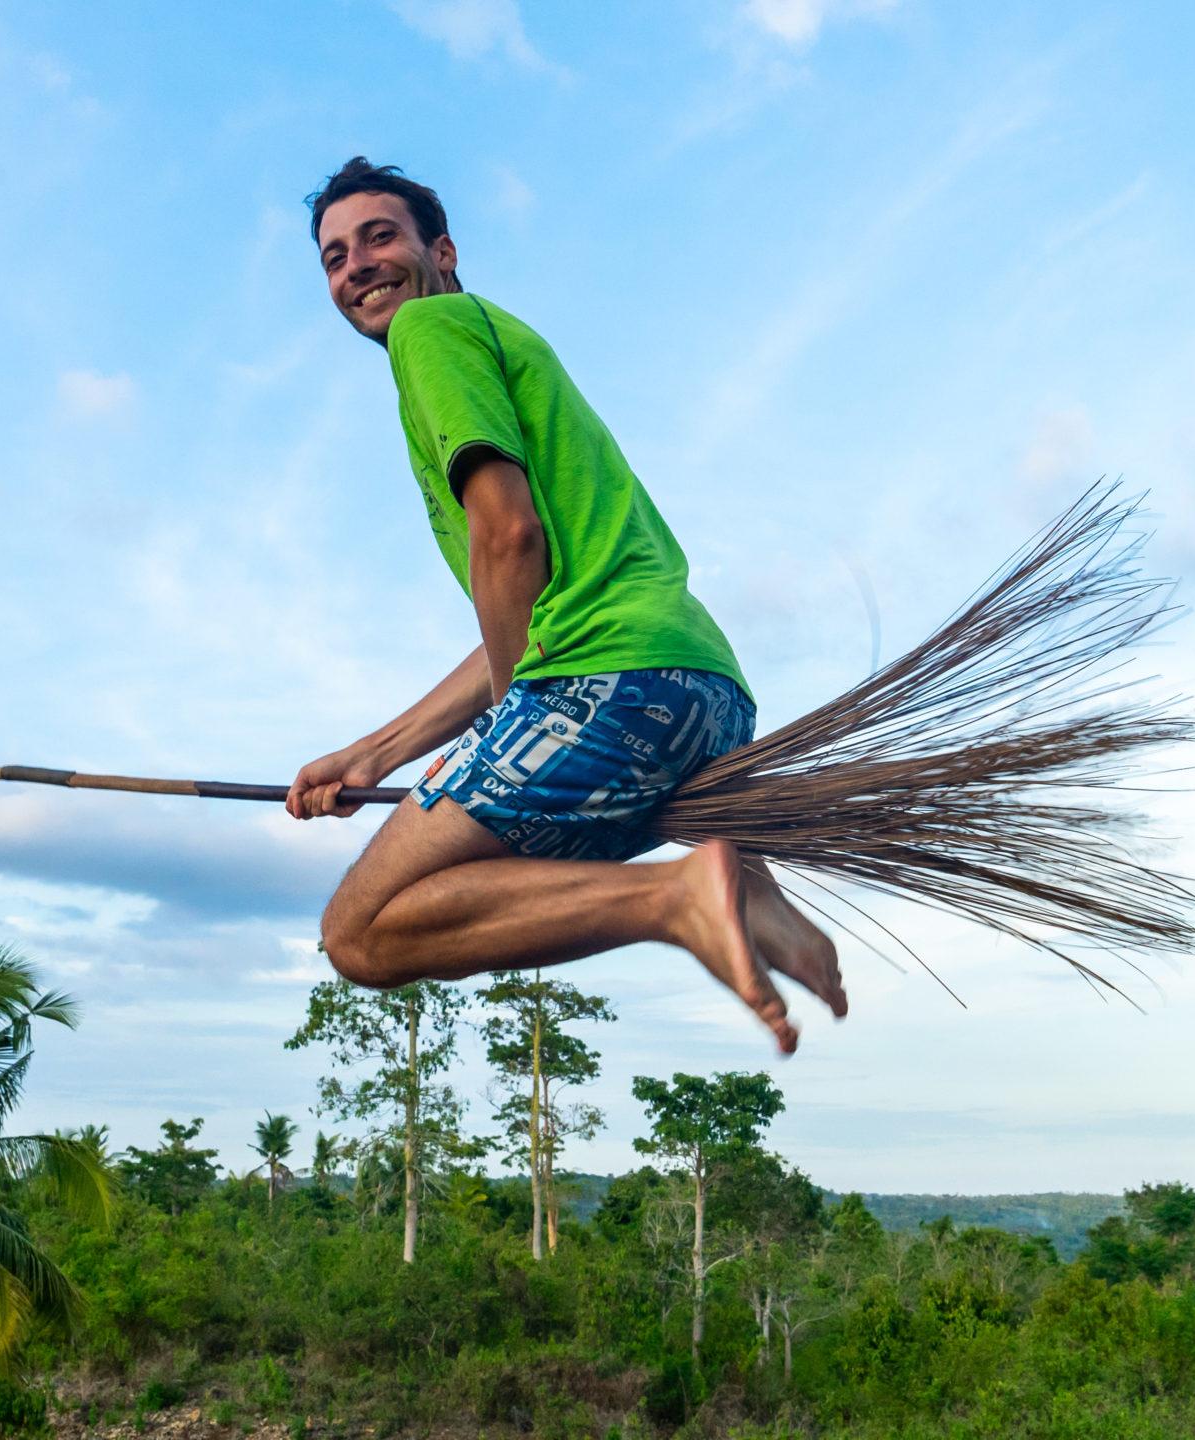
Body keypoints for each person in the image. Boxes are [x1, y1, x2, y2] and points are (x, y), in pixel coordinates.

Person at [286, 157, 845, 1053]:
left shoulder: (431, 331)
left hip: (604, 683)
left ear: (443, 251)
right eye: (333, 256)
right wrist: (374, 753)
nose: (355, 266)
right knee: (419, 899)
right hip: (701, 694)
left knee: (362, 932)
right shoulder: (498, 339)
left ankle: (676, 897)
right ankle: (752, 894)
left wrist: (517, 720)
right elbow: (535, 605)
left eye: (379, 237)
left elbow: (507, 539)